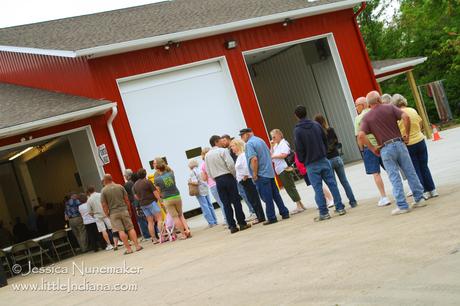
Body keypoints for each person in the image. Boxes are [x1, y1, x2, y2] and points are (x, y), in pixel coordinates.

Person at [358, 91, 426, 215]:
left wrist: (372, 148)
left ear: (368, 104)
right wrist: (406, 134)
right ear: (379, 99)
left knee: (394, 177)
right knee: (410, 171)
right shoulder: (389, 107)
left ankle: (402, 205)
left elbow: (361, 135)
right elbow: (405, 117)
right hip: (399, 143)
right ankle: (419, 198)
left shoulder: (367, 118)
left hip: (385, 148)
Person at [293, 105, 346, 221]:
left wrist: (303, 160)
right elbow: (325, 140)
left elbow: (299, 148)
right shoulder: (316, 125)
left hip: (311, 163)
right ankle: (340, 207)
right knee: (332, 185)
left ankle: (324, 212)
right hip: (323, 159)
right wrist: (323, 152)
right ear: (306, 112)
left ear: (296, 116)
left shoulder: (298, 130)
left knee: (318, 188)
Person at [392, 94, 438, 199]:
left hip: (408, 144)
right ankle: (432, 189)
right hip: (420, 140)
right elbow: (420, 122)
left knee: (415, 169)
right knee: (424, 166)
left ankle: (424, 191)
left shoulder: (399, 116)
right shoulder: (413, 110)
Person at [240, 128, 290, 225]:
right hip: (269, 172)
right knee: (276, 195)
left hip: (261, 174)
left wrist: (254, 174)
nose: (242, 138)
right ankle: (284, 212)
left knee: (267, 197)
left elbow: (254, 159)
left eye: (242, 136)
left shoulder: (249, 144)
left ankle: (271, 217)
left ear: (246, 134)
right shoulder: (260, 140)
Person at [205, 135, 250, 234]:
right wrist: (234, 175)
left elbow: (208, 171)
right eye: (221, 140)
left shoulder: (207, 155)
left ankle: (232, 226)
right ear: (216, 142)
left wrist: (215, 178)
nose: (222, 142)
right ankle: (242, 223)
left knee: (226, 204)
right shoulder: (222, 151)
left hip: (218, 180)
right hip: (227, 177)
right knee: (236, 201)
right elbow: (230, 164)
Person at [313, 115, 357, 208]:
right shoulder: (331, 130)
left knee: (333, 184)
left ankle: (339, 204)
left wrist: (326, 151)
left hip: (327, 160)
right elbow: (336, 142)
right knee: (344, 181)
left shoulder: (317, 134)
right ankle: (353, 201)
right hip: (336, 157)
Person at [354, 97, 392, 207]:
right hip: (382, 144)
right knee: (390, 169)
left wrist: (362, 149)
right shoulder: (375, 113)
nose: (356, 108)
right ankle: (399, 189)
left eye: (357, 105)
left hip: (369, 148)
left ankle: (384, 197)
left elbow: (359, 136)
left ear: (362, 105)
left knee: (376, 173)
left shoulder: (358, 118)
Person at [101, 174, 142, 255]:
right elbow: (126, 199)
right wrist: (129, 209)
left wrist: (107, 214)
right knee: (130, 228)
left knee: (121, 230)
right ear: (111, 178)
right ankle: (137, 246)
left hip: (113, 213)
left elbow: (104, 204)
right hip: (124, 210)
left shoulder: (104, 191)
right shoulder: (120, 186)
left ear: (105, 181)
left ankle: (129, 249)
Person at [269, 129, 306, 214]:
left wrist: (273, 157)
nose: (273, 138)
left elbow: (284, 155)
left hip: (284, 168)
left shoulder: (283, 143)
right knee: (289, 187)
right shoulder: (275, 145)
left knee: (290, 187)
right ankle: (300, 204)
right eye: (272, 137)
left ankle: (298, 205)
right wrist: (271, 146)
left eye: (274, 136)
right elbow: (271, 154)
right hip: (279, 169)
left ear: (279, 135)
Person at [230, 138, 267, 224]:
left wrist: (245, 176)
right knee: (251, 199)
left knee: (254, 199)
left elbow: (247, 166)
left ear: (238, 145)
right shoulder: (239, 156)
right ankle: (259, 216)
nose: (232, 148)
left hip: (247, 180)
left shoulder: (243, 155)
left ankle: (261, 217)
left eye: (233, 146)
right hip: (244, 181)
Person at [222, 134, 257, 221]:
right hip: (239, 176)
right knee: (243, 193)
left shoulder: (236, 152)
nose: (222, 143)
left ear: (227, 139)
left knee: (246, 193)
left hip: (242, 177)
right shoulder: (230, 150)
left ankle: (253, 211)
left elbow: (240, 164)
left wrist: (243, 176)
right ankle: (253, 211)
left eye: (223, 141)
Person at [153, 158, 191, 239]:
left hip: (167, 198)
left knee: (175, 217)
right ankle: (187, 230)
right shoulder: (171, 173)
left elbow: (158, 191)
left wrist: (161, 199)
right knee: (181, 215)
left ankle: (183, 235)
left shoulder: (156, 179)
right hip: (177, 196)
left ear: (157, 167)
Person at [133, 168, 162, 244]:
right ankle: (162, 236)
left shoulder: (135, 185)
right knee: (159, 219)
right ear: (145, 174)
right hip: (151, 202)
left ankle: (154, 239)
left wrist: (141, 199)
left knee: (150, 222)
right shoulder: (148, 182)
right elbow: (155, 192)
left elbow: (136, 196)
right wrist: (160, 200)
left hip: (143, 204)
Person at [201, 147, 227, 225]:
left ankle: (227, 220)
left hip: (212, 185)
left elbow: (204, 178)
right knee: (226, 202)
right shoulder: (214, 160)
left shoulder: (203, 165)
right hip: (220, 181)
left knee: (221, 203)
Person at [188, 159, 218, 227]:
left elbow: (195, 182)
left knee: (204, 206)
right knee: (210, 205)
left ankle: (211, 222)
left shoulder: (193, 172)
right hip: (205, 188)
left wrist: (189, 182)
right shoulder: (200, 170)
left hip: (199, 191)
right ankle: (215, 220)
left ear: (190, 166)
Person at [87, 186, 115, 251]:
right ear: (94, 189)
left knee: (103, 230)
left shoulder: (89, 200)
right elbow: (106, 203)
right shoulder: (100, 195)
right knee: (112, 228)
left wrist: (93, 216)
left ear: (88, 192)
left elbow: (90, 212)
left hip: (97, 216)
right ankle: (117, 241)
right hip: (105, 213)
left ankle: (109, 245)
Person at [130, 173, 151, 240]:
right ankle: (156, 232)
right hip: (148, 202)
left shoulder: (134, 187)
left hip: (140, 205)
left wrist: (136, 207)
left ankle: (147, 235)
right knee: (150, 219)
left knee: (142, 220)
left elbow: (136, 198)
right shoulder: (143, 183)